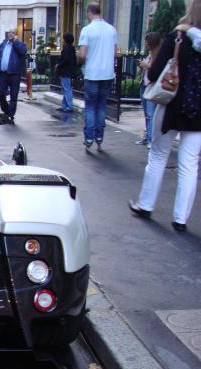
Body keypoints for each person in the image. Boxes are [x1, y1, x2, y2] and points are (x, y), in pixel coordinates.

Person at [129, 0, 201, 233]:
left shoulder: (178, 38)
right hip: (198, 111)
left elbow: (155, 70)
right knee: (189, 163)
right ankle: (180, 218)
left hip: (172, 104)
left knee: (159, 155)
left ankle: (146, 204)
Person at [78, 3, 118, 151]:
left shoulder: (87, 30)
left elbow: (82, 54)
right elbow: (115, 53)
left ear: (89, 12)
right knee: (101, 106)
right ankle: (99, 137)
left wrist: (80, 61)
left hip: (92, 73)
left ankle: (88, 138)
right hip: (107, 73)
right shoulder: (111, 30)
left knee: (90, 107)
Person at [0, 28, 28, 123]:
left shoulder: (19, 44)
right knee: (0, 93)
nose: (10, 34)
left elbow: (23, 51)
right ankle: (6, 110)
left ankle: (10, 115)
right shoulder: (3, 44)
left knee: (14, 95)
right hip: (3, 73)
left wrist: (15, 41)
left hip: (14, 73)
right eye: (9, 32)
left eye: (13, 32)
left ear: (16, 34)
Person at [135, 32, 161, 147]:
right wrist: (142, 66)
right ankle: (147, 137)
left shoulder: (158, 54)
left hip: (151, 86)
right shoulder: (150, 54)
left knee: (150, 114)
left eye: (147, 41)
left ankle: (151, 139)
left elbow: (157, 69)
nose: (145, 43)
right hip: (144, 84)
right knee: (147, 113)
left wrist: (146, 65)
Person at [55, 32, 78, 112]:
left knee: (67, 88)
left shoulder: (66, 48)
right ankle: (64, 105)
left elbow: (65, 59)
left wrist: (58, 65)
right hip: (68, 71)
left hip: (65, 71)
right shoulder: (71, 47)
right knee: (65, 88)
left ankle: (69, 106)